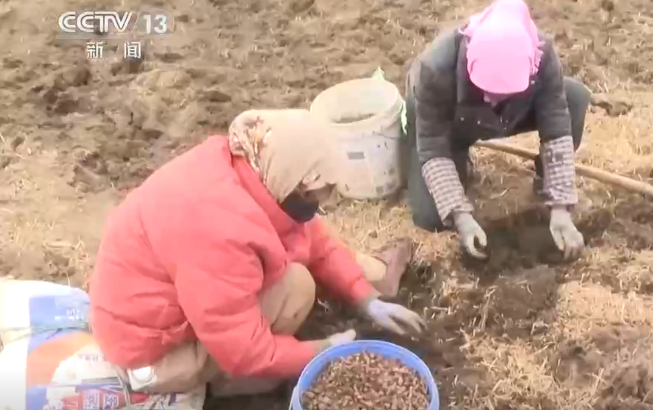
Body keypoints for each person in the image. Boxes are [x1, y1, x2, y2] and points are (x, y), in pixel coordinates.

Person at [88, 109, 426, 403]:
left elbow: (313, 238)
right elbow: (245, 351)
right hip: (152, 351)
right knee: (295, 290)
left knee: (295, 283)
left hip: (175, 302)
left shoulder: (256, 168)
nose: (324, 202)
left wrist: (366, 299)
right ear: (297, 185)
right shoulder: (216, 231)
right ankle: (223, 384)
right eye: (318, 194)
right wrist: (324, 350)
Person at [404, 0, 589, 261]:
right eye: (486, 89)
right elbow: (433, 145)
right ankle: (435, 151)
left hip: (509, 116)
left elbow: (557, 124)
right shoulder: (435, 69)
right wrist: (461, 215)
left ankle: (544, 178)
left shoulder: (541, 55)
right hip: (449, 124)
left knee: (575, 98)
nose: (492, 98)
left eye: (501, 92)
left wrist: (561, 206)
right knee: (430, 217)